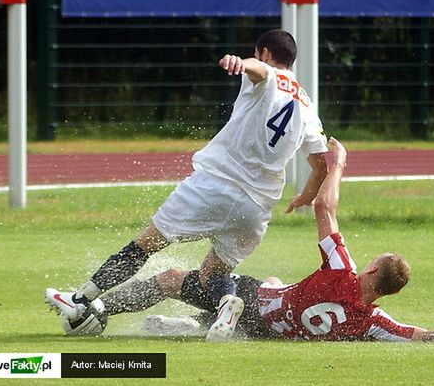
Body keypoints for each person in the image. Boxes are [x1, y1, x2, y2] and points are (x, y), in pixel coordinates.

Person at [66, 138, 434, 343]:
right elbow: (427, 336)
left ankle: (98, 311)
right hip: (267, 328)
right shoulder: (371, 323)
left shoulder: (342, 272)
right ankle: (199, 324)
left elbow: (324, 209)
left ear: (370, 270)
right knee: (273, 278)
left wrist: (339, 164)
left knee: (171, 276)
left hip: (257, 303)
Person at [46, 29, 329, 341]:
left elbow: (262, 72)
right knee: (214, 272)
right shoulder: (307, 105)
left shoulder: (266, 74)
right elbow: (321, 165)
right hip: (257, 208)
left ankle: (78, 300)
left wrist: (241, 62)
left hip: (214, 187)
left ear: (263, 51)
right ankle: (225, 304)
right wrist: (305, 196)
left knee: (145, 245)